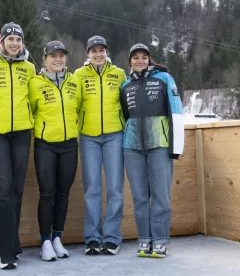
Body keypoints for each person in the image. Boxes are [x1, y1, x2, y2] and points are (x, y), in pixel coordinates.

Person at [0, 22, 36, 269]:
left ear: (22, 43)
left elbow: (33, 99)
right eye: (9, 39)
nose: (14, 43)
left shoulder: (30, 68)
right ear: (1, 42)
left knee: (16, 189)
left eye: (18, 40)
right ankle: (5, 251)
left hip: (22, 133)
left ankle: (12, 241)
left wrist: (26, 117)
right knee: (1, 189)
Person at [120, 43, 184, 258]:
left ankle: (160, 240)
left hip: (159, 145)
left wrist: (176, 147)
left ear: (149, 59)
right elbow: (125, 117)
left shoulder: (164, 79)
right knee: (139, 196)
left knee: (160, 195)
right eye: (135, 57)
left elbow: (176, 112)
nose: (140, 61)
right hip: (132, 147)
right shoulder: (125, 85)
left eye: (144, 57)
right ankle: (144, 239)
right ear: (130, 61)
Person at [28, 41, 81, 261]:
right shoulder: (35, 83)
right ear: (44, 59)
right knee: (47, 193)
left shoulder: (74, 81)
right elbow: (30, 109)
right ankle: (45, 242)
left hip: (69, 144)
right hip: (46, 145)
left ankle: (57, 237)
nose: (57, 59)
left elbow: (78, 108)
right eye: (53, 56)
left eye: (61, 56)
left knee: (63, 194)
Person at [74, 35, 126, 256]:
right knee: (92, 188)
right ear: (88, 53)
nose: (97, 54)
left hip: (115, 135)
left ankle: (112, 238)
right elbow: (73, 105)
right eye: (93, 51)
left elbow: (126, 103)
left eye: (101, 50)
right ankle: (93, 238)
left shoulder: (119, 73)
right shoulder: (78, 75)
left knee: (115, 188)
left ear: (107, 52)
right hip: (88, 137)